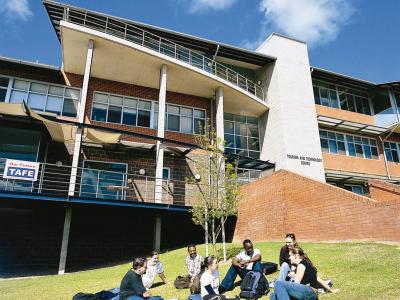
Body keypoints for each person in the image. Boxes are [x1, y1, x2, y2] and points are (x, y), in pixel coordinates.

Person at [270, 247, 338, 300]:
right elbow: (318, 278)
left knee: (278, 283)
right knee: (273, 295)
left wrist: (293, 277)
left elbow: (296, 284)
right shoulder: (305, 264)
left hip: (308, 292)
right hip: (312, 294)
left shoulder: (301, 265)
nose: (289, 257)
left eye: (290, 255)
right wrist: (330, 290)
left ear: (296, 255)